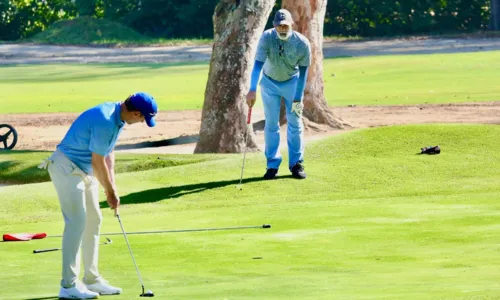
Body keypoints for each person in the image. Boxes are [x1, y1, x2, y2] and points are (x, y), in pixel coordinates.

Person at [38, 92, 158, 299]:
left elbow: (108, 154)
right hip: (67, 168)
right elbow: (97, 161)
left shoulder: (117, 118)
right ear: (136, 113)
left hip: (84, 170)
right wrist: (109, 192)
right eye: (142, 119)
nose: (141, 122)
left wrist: (112, 188)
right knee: (77, 222)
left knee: (94, 220)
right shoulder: (105, 120)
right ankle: (68, 286)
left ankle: (91, 280)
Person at [246, 8, 311, 180]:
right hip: (269, 84)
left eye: (285, 26)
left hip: (292, 83)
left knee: (295, 123)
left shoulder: (302, 43)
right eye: (278, 26)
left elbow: (304, 73)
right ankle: (272, 165)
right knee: (271, 124)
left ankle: (296, 163)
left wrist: (298, 97)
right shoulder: (267, 37)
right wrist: (252, 89)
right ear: (274, 26)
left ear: (291, 25)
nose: (282, 29)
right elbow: (258, 65)